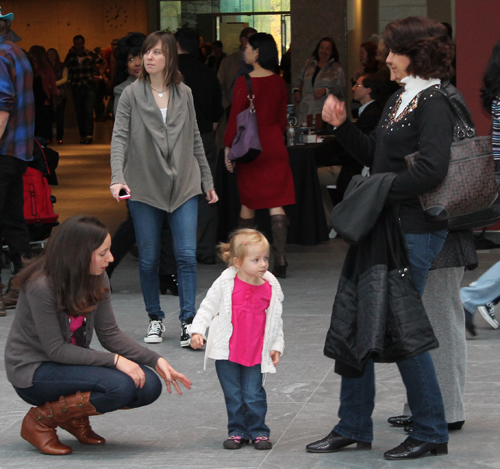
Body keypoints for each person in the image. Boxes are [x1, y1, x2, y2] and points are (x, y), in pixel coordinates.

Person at [308, 17, 455, 460]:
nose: (385, 58)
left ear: (418, 52)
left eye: (394, 51)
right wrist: (341, 126)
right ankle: (352, 424)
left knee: (402, 329)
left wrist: (380, 188)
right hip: (384, 225)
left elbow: (432, 171)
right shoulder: (401, 97)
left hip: (412, 230)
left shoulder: (434, 101)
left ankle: (431, 429)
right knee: (356, 319)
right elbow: (376, 153)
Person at [4, 215, 192, 456]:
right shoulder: (41, 285)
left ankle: (72, 417)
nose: (111, 258)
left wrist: (155, 360)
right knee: (121, 386)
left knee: (148, 384)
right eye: (103, 253)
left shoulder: (97, 276)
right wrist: (115, 361)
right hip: (34, 371)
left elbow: (110, 334)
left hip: (70, 364)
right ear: (78, 254)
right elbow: (56, 350)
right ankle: (40, 421)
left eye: (109, 251)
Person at [110, 31, 218, 346]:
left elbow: (196, 138)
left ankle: (188, 320)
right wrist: (118, 176)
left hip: (184, 184)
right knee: (149, 258)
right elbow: (119, 138)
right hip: (144, 185)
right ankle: (155, 318)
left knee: (186, 255)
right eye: (147, 52)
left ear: (169, 57)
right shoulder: (131, 94)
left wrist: (207, 181)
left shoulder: (184, 92)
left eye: (157, 52)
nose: (149, 58)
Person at [190, 228, 284, 450]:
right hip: (228, 351)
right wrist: (197, 330)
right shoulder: (225, 283)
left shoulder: (270, 287)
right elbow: (208, 307)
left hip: (254, 351)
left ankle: (259, 431)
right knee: (233, 393)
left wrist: (276, 345)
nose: (263, 264)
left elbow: (275, 320)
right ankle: (237, 431)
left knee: (253, 393)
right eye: (256, 259)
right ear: (237, 262)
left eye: (265, 258)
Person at [224, 33, 295, 279]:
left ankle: (245, 260)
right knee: (277, 201)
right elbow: (282, 120)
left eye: (248, 48)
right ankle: (281, 259)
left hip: (250, 147)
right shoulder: (278, 82)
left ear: (257, 52)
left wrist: (227, 148)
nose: (245, 52)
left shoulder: (244, 81)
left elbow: (235, 118)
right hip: (274, 143)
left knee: (249, 202)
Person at [175, 28, 224, 265]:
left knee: (175, 192)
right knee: (207, 192)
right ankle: (205, 248)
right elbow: (217, 113)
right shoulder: (207, 73)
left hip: (174, 140)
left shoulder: (169, 73)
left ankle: (177, 248)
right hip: (203, 136)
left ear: (176, 45)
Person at [0, 7, 34, 316]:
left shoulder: (0, 54)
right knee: (13, 220)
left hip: (2, 149)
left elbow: (2, 104)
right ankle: (23, 287)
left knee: (10, 219)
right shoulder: (16, 51)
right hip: (17, 151)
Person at [318, 73, 383, 226]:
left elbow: (356, 149)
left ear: (368, 90)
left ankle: (330, 220)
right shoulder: (370, 111)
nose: (353, 88)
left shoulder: (371, 115)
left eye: (358, 85)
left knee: (309, 174)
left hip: (354, 168)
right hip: (353, 164)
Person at [292, 37, 345, 126]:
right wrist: (296, 91)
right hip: (306, 112)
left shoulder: (337, 68)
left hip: (325, 113)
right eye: (322, 47)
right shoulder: (308, 64)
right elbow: (297, 80)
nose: (324, 51)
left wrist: (326, 91)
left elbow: (342, 90)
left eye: (327, 49)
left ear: (332, 52)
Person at [64, 35, 103, 144]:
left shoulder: (90, 54)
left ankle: (89, 134)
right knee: (79, 111)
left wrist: (99, 76)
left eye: (80, 43)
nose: (78, 46)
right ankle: (83, 134)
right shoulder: (71, 56)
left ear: (83, 43)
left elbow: (102, 61)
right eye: (76, 44)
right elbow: (65, 68)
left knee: (88, 109)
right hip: (76, 85)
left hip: (88, 84)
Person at [29, 45, 59, 143]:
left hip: (30, 103)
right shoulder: (47, 69)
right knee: (44, 132)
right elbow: (54, 88)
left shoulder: (29, 71)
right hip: (44, 102)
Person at [47, 48, 68, 144]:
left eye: (53, 54)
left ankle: (60, 136)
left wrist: (53, 85)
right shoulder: (46, 67)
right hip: (49, 93)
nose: (51, 56)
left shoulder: (62, 66)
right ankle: (49, 136)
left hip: (61, 93)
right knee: (49, 117)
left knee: (60, 117)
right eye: (49, 54)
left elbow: (65, 79)